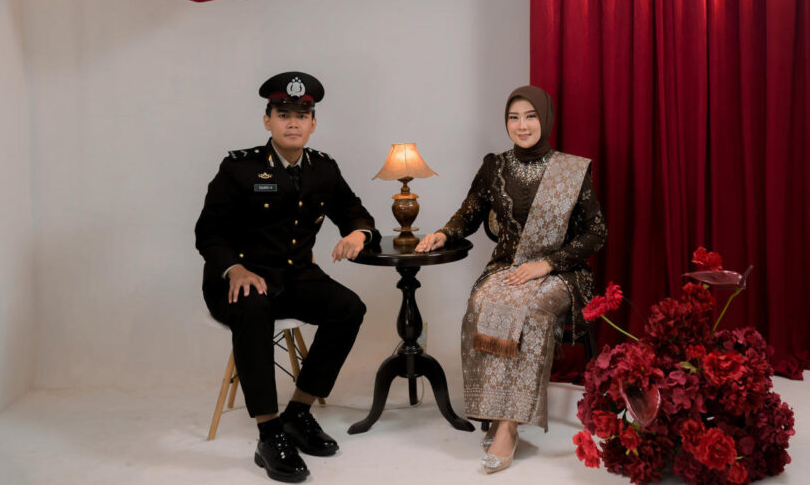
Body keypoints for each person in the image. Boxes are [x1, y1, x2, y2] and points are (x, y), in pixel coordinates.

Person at [195, 72, 380, 483]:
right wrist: (235, 269)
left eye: (301, 116)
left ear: (313, 123)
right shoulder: (239, 168)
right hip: (237, 279)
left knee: (349, 308)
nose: (292, 123)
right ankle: (269, 433)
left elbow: (356, 214)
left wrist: (357, 234)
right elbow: (208, 233)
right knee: (253, 307)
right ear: (268, 121)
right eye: (283, 115)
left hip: (295, 277)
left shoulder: (323, 169)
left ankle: (298, 412)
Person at [415, 85, 607, 475]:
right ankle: (495, 410)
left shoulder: (570, 170)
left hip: (562, 272)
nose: (522, 125)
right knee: (482, 302)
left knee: (531, 309)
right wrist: (443, 233)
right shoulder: (495, 167)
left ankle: (508, 426)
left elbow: (596, 232)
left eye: (530, 116)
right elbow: (469, 213)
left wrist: (547, 264)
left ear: (545, 119)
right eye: (514, 117)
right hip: (507, 267)